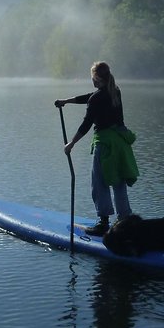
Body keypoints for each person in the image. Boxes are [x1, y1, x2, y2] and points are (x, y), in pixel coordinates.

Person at [55, 62, 139, 236]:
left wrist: (71, 144)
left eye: (92, 78)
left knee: (99, 183)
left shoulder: (98, 97)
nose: (91, 81)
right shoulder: (115, 90)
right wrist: (66, 101)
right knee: (118, 182)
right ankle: (125, 221)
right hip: (120, 143)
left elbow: (86, 124)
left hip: (105, 144)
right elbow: (90, 97)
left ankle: (103, 223)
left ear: (97, 78)